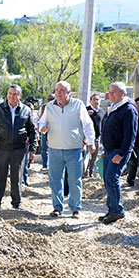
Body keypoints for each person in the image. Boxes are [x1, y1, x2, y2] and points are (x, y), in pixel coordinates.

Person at [39, 81, 95, 218]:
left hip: (74, 149)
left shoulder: (78, 105)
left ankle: (75, 208)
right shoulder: (49, 107)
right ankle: (57, 208)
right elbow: (41, 122)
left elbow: (87, 124)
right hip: (54, 149)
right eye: (57, 90)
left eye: (62, 90)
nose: (58, 92)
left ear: (69, 93)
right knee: (55, 180)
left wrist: (91, 142)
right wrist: (42, 128)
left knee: (75, 180)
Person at [0, 84, 36, 210]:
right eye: (10, 93)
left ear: (20, 96)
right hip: (2, 148)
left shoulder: (26, 110)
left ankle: (17, 203)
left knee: (17, 177)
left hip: (19, 149)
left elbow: (32, 130)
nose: (12, 96)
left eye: (15, 94)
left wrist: (32, 148)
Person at [99, 82, 138, 224]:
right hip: (109, 150)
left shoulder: (128, 109)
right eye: (110, 92)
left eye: (114, 92)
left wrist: (121, 153)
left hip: (118, 151)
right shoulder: (114, 107)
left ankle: (117, 211)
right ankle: (112, 209)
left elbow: (130, 136)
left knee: (112, 179)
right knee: (107, 179)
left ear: (123, 93)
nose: (111, 94)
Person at [123, 96, 139, 187]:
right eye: (137, 103)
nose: (138, 105)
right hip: (132, 143)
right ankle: (130, 180)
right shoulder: (133, 115)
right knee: (132, 163)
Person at [84, 93, 105, 177]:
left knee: (94, 156)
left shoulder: (102, 111)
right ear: (90, 101)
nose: (96, 101)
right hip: (86, 137)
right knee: (85, 156)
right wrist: (86, 114)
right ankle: (83, 172)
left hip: (97, 137)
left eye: (98, 100)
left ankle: (90, 172)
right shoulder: (86, 110)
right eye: (94, 100)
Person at [38, 94, 54, 170]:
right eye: (48, 99)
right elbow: (40, 118)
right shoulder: (44, 107)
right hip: (45, 130)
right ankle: (45, 165)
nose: (49, 101)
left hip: (53, 130)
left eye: (51, 99)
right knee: (44, 148)